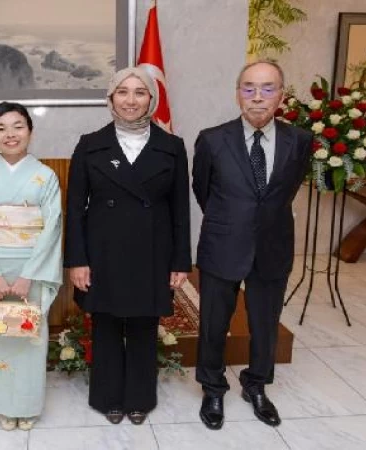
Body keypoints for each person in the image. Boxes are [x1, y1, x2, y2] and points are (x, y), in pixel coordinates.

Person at [64, 67, 191, 425]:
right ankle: (107, 398)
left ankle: (139, 397)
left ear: (151, 99)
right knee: (104, 324)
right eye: (123, 91)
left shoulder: (172, 146)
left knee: (143, 326)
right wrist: (77, 260)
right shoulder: (90, 144)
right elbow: (74, 209)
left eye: (140, 92)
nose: (131, 100)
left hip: (153, 251)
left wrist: (181, 260)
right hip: (102, 250)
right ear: (110, 99)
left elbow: (181, 209)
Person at [192, 60, 312, 430]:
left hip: (273, 247)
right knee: (214, 324)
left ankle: (256, 385)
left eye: (267, 88)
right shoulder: (212, 139)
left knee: (265, 324)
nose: (257, 97)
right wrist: (233, 222)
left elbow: (286, 192)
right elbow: (202, 190)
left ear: (281, 94)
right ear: (237, 93)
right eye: (249, 88)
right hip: (222, 245)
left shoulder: (300, 140)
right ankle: (213, 387)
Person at [0, 101, 62, 431]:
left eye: (18, 126)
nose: (10, 134)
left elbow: (53, 226)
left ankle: (26, 404)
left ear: (30, 131)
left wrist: (29, 274)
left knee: (29, 337)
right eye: (1, 128)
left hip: (31, 268)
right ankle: (2, 402)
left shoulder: (45, 177)